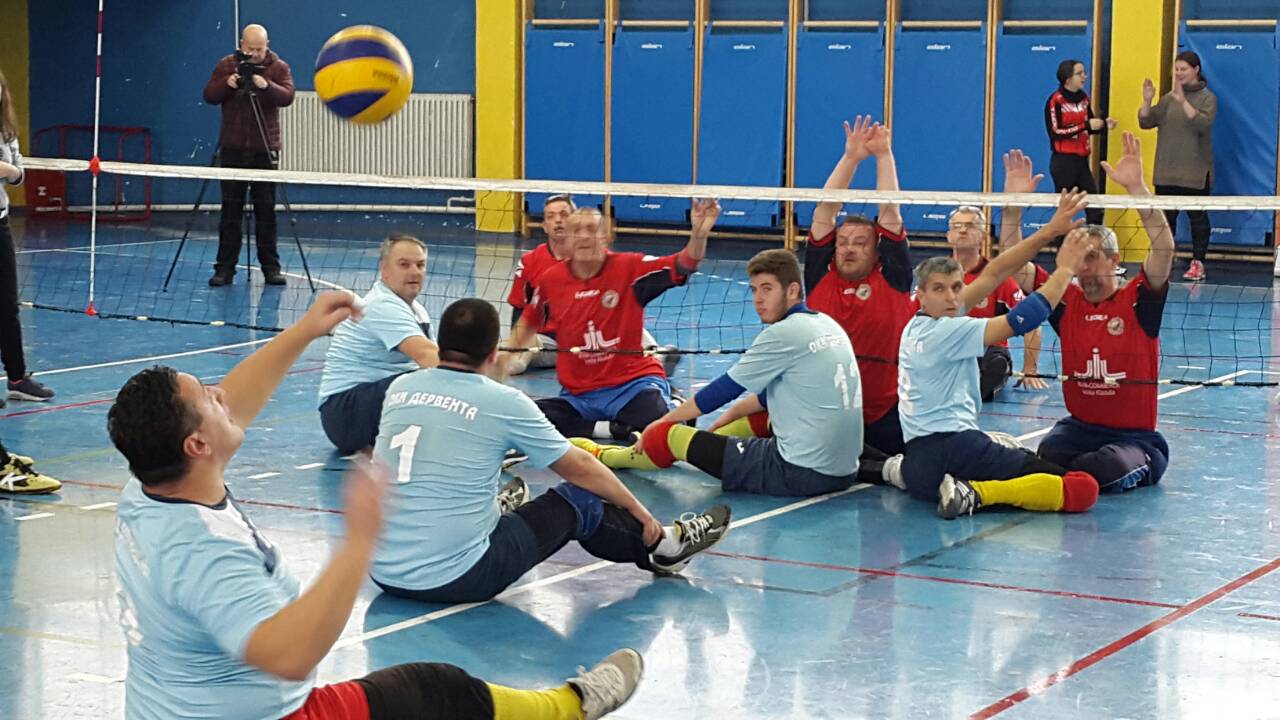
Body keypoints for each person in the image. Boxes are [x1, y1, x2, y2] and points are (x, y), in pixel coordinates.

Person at [107, 292, 644, 720]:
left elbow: (236, 400)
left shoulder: (150, 487)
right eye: (207, 397)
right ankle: (570, 707)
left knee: (429, 690)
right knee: (437, 691)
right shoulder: (205, 551)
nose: (221, 393)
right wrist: (358, 542)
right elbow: (291, 656)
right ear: (197, 445)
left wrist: (303, 331)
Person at [370, 298, 731, 604]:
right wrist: (640, 512)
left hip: (383, 570)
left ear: (439, 343)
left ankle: (494, 510)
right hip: (457, 577)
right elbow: (581, 468)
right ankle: (667, 547)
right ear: (494, 352)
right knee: (578, 501)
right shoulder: (502, 401)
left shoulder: (400, 387)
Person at [574, 249, 863, 498]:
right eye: (754, 289)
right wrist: (721, 425)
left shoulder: (783, 333)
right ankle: (696, 443)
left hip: (797, 474)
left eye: (767, 289)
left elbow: (721, 392)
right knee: (760, 418)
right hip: (844, 471)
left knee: (669, 435)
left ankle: (606, 455)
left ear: (793, 291)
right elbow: (766, 398)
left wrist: (659, 424)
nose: (758, 299)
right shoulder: (826, 324)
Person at [891, 190, 1101, 519]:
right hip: (958, 450)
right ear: (921, 295)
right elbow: (1023, 319)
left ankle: (897, 470)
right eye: (939, 289)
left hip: (919, 463)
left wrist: (1049, 231)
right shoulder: (948, 330)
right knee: (1083, 488)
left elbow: (995, 273)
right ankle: (976, 493)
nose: (951, 297)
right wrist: (1065, 269)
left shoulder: (917, 325)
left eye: (956, 287)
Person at [1031, 132, 1175, 494]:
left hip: (1135, 438)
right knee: (1048, 452)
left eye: (1092, 256)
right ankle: (1076, 478)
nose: (1083, 265)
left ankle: (1088, 476)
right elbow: (1017, 269)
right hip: (1079, 429)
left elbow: (1164, 248)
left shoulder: (1138, 300)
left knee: (1106, 466)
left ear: (1114, 260)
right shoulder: (1066, 302)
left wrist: (1137, 188)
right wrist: (1013, 210)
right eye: (1077, 257)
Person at [505, 202, 718, 440]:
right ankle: (612, 429)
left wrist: (699, 233)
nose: (584, 236)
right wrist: (497, 366)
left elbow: (685, 263)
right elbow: (526, 323)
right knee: (535, 418)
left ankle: (673, 403)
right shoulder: (551, 280)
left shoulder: (631, 268)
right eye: (577, 231)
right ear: (567, 240)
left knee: (653, 419)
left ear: (605, 237)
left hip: (630, 385)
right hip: (579, 395)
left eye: (591, 229)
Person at [802, 116, 914, 457]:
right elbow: (825, 210)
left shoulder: (892, 276)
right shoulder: (821, 275)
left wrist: (883, 155)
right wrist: (850, 157)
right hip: (827, 411)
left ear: (877, 251)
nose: (849, 248)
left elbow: (890, 211)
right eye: (843, 242)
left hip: (886, 414)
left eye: (860, 243)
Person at [317, 235, 438, 454]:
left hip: (363, 403)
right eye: (404, 265)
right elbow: (427, 356)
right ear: (384, 269)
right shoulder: (381, 304)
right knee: (428, 381)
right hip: (345, 414)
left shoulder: (417, 310)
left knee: (432, 380)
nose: (415, 272)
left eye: (420, 265)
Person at [203, 24, 295, 287]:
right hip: (232, 148)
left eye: (259, 49)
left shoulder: (279, 67)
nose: (254, 54)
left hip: (264, 150)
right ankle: (224, 269)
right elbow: (209, 95)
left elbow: (287, 96)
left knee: (266, 212)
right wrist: (227, 84)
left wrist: (266, 85)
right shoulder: (226, 65)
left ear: (267, 45)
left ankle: (271, 269)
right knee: (230, 212)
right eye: (250, 48)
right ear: (241, 44)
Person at [947, 202, 1047, 402]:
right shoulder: (937, 275)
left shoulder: (997, 277)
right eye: (957, 226)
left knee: (996, 362)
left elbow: (1033, 324)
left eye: (970, 226)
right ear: (948, 235)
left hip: (987, 352)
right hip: (949, 349)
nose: (963, 230)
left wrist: (1030, 369)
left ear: (984, 236)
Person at [0, 68, 54, 404]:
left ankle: (17, 378)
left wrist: (7, 170)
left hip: (1, 224)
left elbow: (19, 174)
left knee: (7, 306)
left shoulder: (6, 131)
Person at [1139, 50, 1216, 282]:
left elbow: (1203, 124)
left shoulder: (1207, 98)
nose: (1179, 73)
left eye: (1184, 69)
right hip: (1166, 172)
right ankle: (1164, 260)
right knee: (1165, 220)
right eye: (1177, 69)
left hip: (1194, 172)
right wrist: (1147, 100)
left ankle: (1198, 263)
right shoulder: (1168, 99)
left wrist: (1184, 102)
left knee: (1198, 219)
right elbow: (1146, 121)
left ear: (1196, 70)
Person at [505, 194, 576, 374]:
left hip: (587, 343)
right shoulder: (530, 261)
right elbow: (519, 308)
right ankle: (512, 364)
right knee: (517, 343)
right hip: (546, 343)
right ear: (544, 226)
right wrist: (516, 343)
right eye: (551, 216)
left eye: (564, 215)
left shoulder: (594, 259)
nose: (558, 220)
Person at [1045, 59, 1115, 226]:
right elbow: (1056, 132)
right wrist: (1085, 125)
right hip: (1063, 162)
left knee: (1094, 207)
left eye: (1084, 72)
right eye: (1080, 73)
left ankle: (1093, 239)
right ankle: (1061, 241)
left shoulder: (1084, 98)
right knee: (1064, 211)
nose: (1085, 76)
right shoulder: (1055, 101)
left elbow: (1089, 126)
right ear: (1068, 78)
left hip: (1081, 162)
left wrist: (1103, 125)